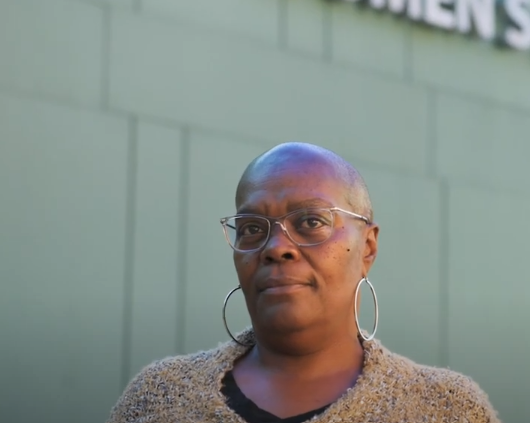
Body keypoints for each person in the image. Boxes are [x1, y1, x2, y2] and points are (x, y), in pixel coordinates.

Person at [107, 142, 502, 423]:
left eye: (310, 222)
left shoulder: (446, 409)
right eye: (251, 228)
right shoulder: (157, 401)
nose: (277, 248)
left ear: (367, 247)